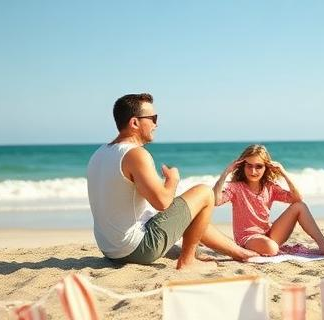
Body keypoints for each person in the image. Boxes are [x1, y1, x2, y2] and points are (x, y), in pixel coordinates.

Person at [87, 93, 258, 270]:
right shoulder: (135, 154)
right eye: (152, 118)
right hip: (136, 248)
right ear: (135, 123)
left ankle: (240, 253)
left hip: (110, 249)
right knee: (205, 193)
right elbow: (163, 203)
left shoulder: (100, 153)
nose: (156, 124)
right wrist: (173, 180)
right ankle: (187, 261)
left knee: (191, 212)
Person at [213, 144, 324, 256]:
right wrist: (226, 172)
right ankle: (262, 247)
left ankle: (323, 245)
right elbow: (216, 201)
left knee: (300, 206)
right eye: (249, 166)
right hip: (248, 239)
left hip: (268, 234)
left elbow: (297, 198)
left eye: (259, 166)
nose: (253, 171)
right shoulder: (236, 188)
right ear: (242, 166)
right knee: (272, 248)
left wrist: (284, 173)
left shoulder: (269, 187)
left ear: (266, 167)